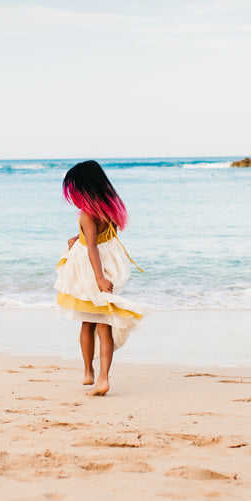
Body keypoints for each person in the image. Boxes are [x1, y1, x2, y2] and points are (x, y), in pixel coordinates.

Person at [54, 160, 147, 396]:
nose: (73, 198)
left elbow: (92, 246)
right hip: (108, 263)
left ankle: (88, 372)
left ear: (84, 189)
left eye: (75, 192)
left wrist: (98, 278)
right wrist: (78, 236)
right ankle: (104, 379)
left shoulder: (87, 213)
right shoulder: (110, 208)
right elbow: (101, 236)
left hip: (90, 268)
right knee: (105, 324)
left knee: (87, 322)